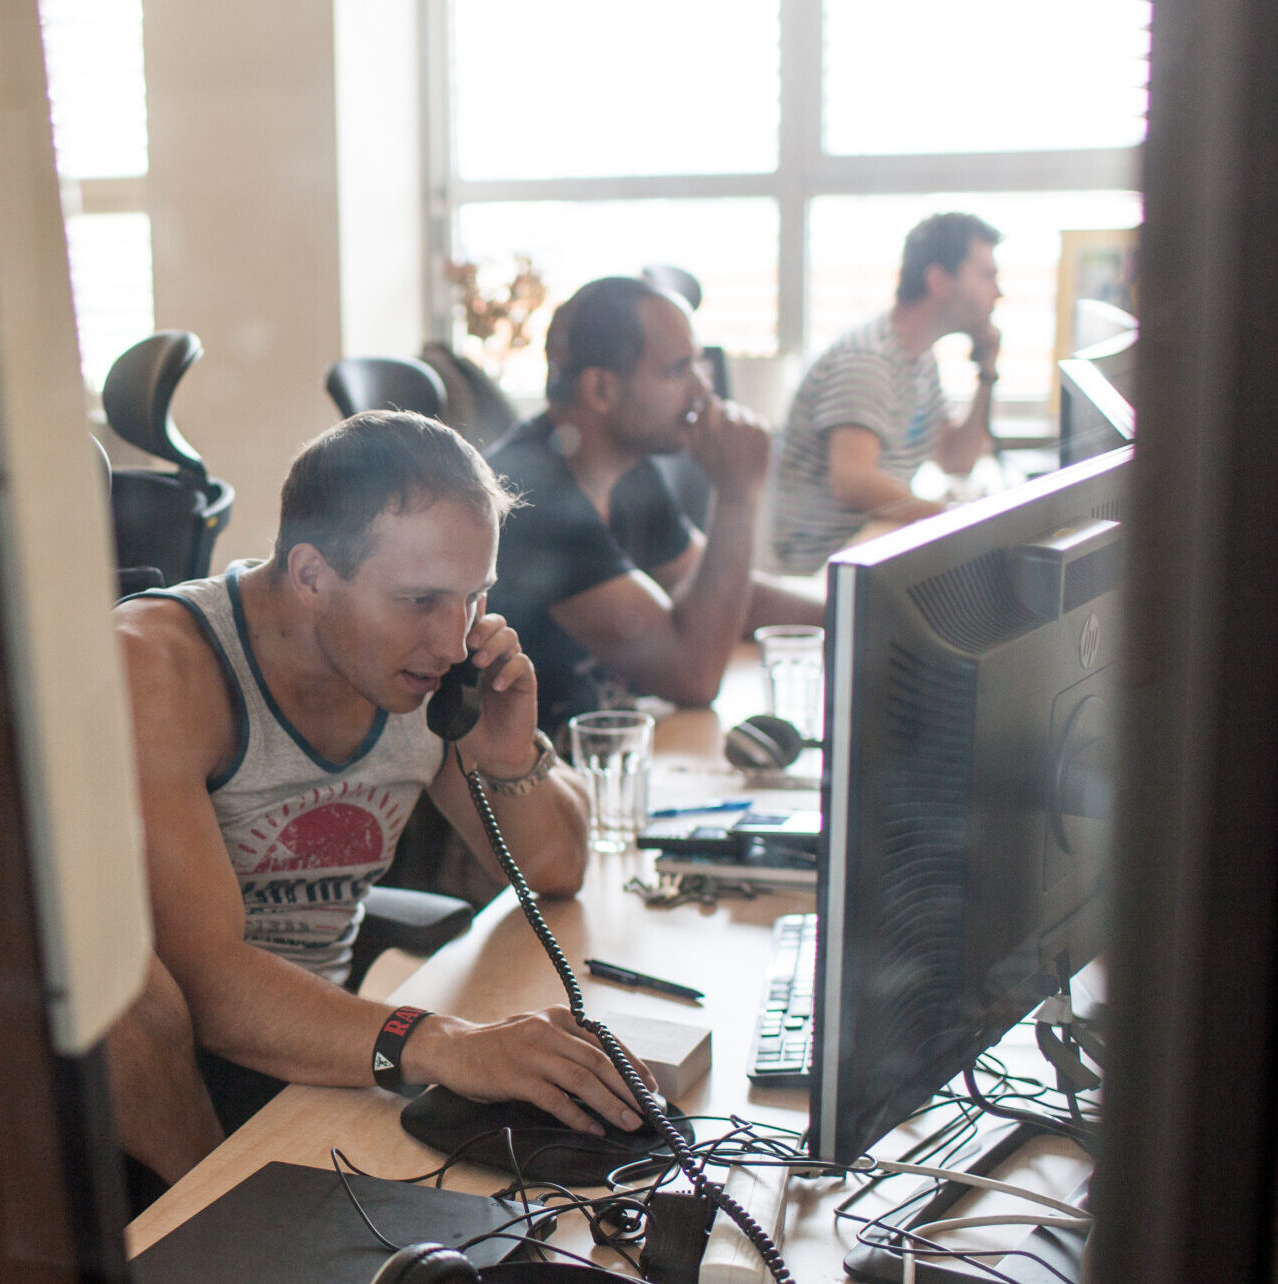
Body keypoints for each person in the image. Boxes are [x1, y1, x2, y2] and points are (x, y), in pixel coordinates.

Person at [108, 411, 652, 1189]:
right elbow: (208, 988)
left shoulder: (423, 669)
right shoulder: (159, 668)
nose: (453, 640)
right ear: (310, 575)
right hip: (180, 1096)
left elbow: (555, 870)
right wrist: (445, 1043)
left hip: (329, 1050)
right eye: (422, 600)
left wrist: (507, 754)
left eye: (474, 597)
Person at [485, 275, 824, 739]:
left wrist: (851, 610)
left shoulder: (626, 471)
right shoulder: (533, 498)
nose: (703, 390)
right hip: (544, 786)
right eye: (678, 370)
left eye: (700, 364)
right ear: (602, 389)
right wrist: (737, 496)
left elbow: (723, 589)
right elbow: (694, 676)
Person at [768, 212, 1004, 575]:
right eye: (987, 275)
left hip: (873, 541)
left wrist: (987, 374)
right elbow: (852, 481)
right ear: (939, 280)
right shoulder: (870, 359)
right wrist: (948, 518)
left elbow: (956, 460)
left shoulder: (920, 359)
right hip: (826, 565)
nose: (998, 292)